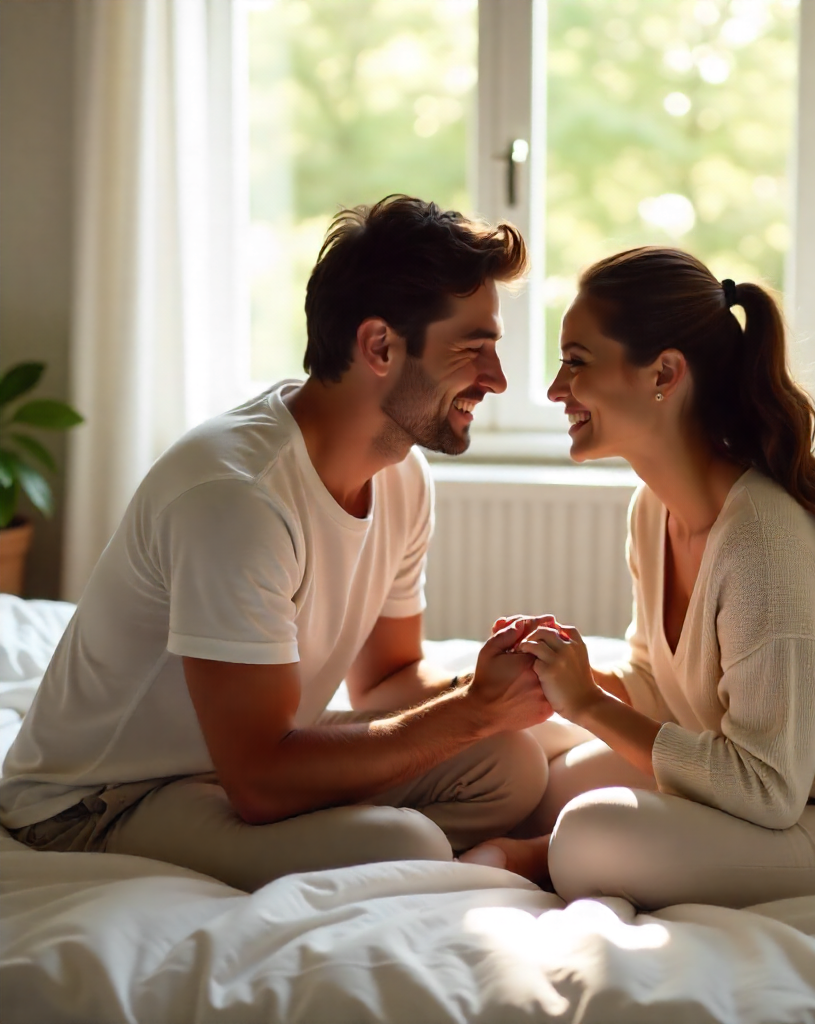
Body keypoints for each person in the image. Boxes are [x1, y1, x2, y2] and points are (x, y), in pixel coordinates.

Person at [0, 196, 555, 892]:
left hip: (241, 762)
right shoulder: (238, 497)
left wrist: (499, 688)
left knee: (512, 763)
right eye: (474, 349)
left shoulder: (402, 475)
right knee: (405, 840)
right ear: (379, 346)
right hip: (104, 801)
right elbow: (261, 778)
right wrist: (467, 712)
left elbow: (386, 682)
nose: (498, 379)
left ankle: (423, 847)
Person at [460, 247, 815, 910]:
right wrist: (565, 673)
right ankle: (525, 846)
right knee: (553, 781)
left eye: (576, 361)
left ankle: (536, 856)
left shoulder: (763, 542)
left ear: (664, 373)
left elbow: (765, 789)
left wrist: (590, 708)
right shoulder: (652, 510)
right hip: (790, 791)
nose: (553, 389)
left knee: (587, 834)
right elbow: (662, 688)